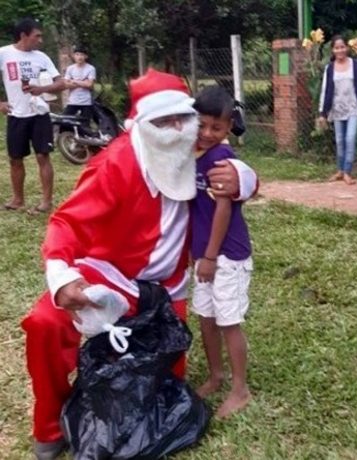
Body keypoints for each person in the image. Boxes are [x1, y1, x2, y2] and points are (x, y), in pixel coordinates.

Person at [20, 69, 258, 460]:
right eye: (164, 121)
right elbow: (65, 222)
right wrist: (63, 279)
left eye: (183, 118)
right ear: (141, 124)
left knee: (164, 388)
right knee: (46, 322)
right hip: (110, 274)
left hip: (167, 286)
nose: (177, 129)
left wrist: (245, 178)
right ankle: (49, 423)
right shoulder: (114, 164)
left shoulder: (193, 147)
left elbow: (228, 169)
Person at [190, 86, 253, 419]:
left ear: (229, 127)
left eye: (216, 127)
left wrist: (211, 256)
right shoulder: (193, 154)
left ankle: (240, 389)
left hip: (226, 255)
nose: (207, 133)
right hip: (203, 255)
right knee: (206, 317)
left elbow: (223, 211)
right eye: (201, 125)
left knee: (229, 321)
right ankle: (216, 375)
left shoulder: (221, 161)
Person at [0, 17, 65, 214]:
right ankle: (18, 199)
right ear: (23, 35)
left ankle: (46, 202)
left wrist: (41, 89)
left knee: (42, 156)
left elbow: (61, 83)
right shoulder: (4, 53)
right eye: (37, 36)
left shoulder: (42, 57)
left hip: (39, 113)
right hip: (15, 114)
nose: (40, 40)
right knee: (15, 159)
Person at [318, 35, 357, 185]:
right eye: (337, 47)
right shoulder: (329, 68)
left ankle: (348, 172)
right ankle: (340, 171)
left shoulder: (356, 65)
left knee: (350, 138)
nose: (340, 50)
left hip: (354, 108)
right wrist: (323, 113)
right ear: (333, 50)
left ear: (347, 48)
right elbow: (325, 90)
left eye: (342, 47)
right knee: (340, 140)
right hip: (337, 109)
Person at [63, 46, 96, 123]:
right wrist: (84, 82)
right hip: (72, 101)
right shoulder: (70, 68)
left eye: (82, 55)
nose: (79, 57)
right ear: (74, 56)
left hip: (86, 102)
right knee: (65, 121)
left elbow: (90, 85)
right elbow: (66, 84)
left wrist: (74, 81)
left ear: (86, 56)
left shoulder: (91, 68)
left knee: (85, 125)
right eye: (77, 54)